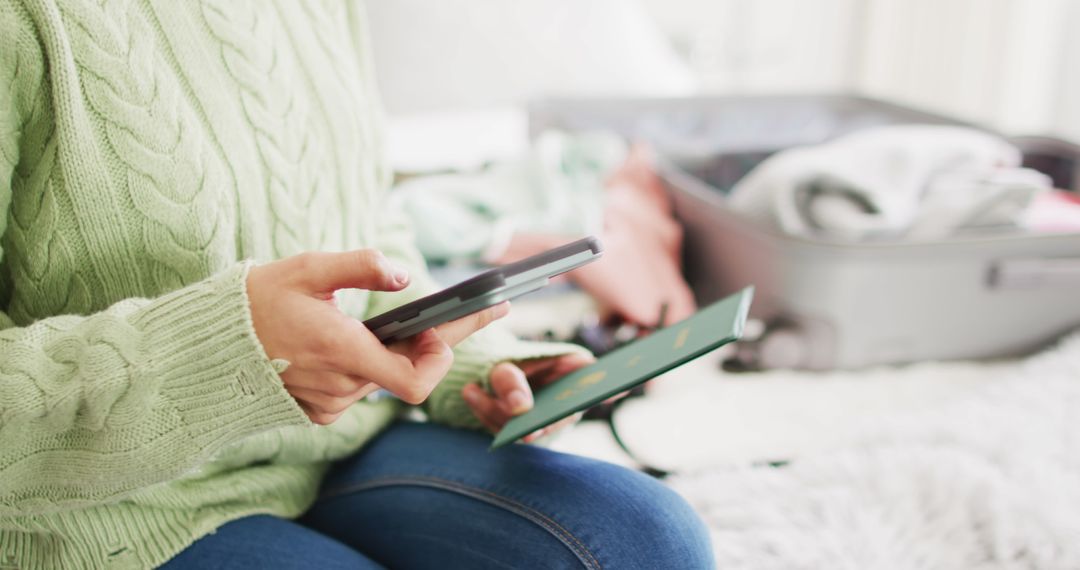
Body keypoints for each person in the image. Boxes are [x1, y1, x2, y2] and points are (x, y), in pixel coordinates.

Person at [0, 1, 714, 568]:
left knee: (649, 541)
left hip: (332, 445)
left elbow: (366, 225)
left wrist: (462, 365)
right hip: (92, 514)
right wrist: (228, 355)